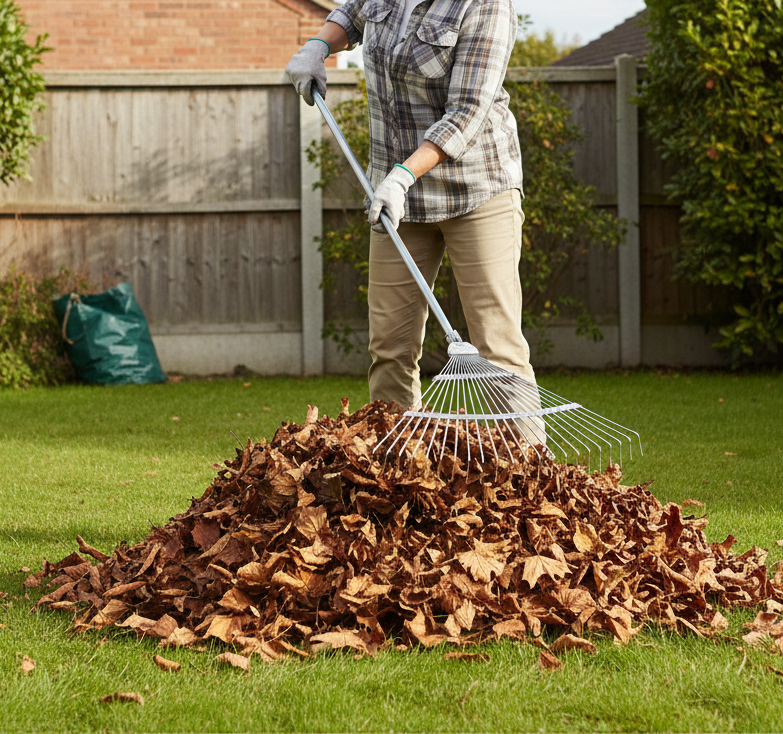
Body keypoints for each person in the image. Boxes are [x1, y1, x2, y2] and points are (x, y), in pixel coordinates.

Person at [286, 0, 543, 443]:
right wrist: (317, 45)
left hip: (475, 190)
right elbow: (351, 14)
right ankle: (396, 473)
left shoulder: (485, 6)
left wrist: (403, 175)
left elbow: (466, 112)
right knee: (390, 349)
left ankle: (529, 477)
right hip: (395, 198)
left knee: (496, 345)